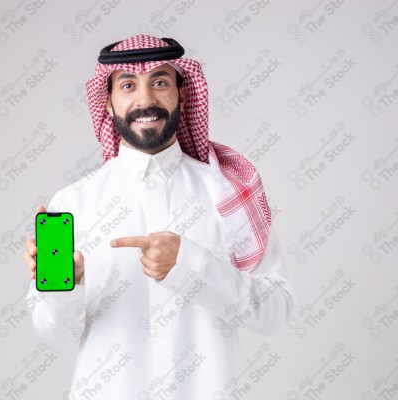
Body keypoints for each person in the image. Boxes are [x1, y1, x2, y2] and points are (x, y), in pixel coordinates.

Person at [23, 35, 295, 399]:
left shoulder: (227, 191)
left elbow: (275, 312)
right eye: (128, 85)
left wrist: (189, 264)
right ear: (107, 101)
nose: (146, 99)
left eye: (160, 82)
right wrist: (65, 289)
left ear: (183, 94)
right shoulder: (74, 203)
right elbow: (54, 338)